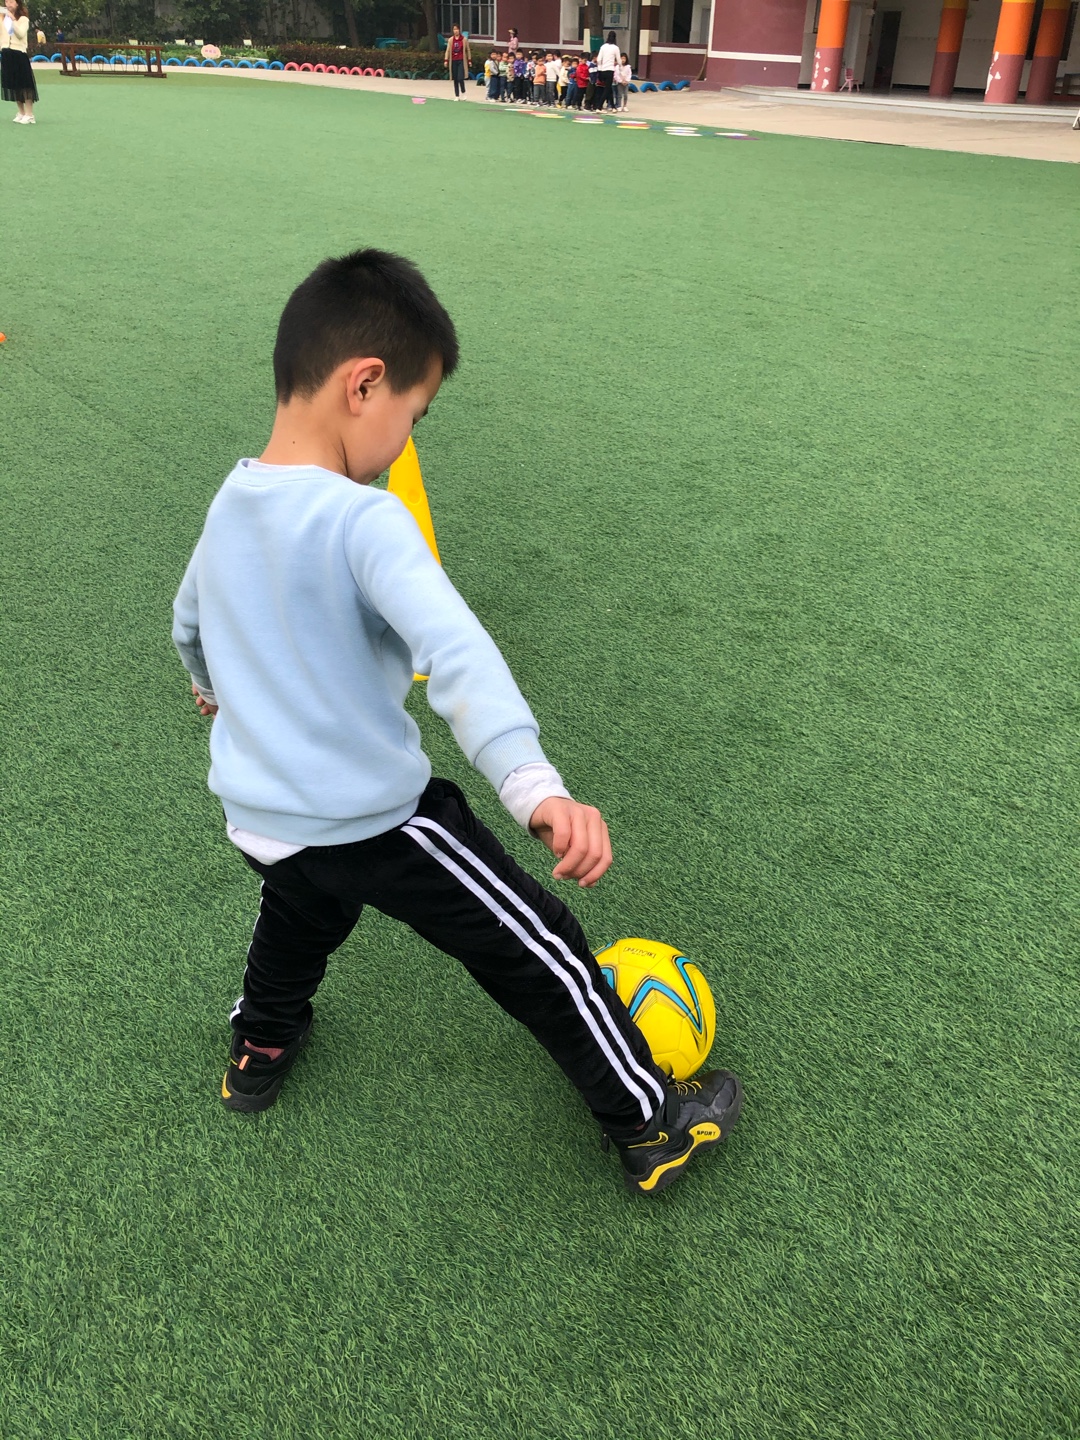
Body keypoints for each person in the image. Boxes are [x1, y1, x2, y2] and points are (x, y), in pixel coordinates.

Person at [172, 248, 743, 1197]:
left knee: (298, 915)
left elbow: (188, 624)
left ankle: (259, 1049)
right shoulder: (363, 519)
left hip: (260, 822)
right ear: (364, 385)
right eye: (414, 416)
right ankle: (650, 1124)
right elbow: (459, 651)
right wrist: (534, 786)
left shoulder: (230, 502)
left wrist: (210, 687)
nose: (405, 444)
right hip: (375, 823)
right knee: (540, 949)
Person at [1, 0, 37, 125]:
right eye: (6, 1)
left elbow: (21, 34)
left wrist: (12, 20)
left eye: (11, 1)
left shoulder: (23, 19)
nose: (8, 4)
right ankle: (21, 112)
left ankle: (29, 114)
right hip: (6, 52)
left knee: (25, 84)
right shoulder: (3, 19)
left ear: (17, 4)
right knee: (13, 84)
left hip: (19, 53)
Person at [443, 23, 470, 100]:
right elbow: (448, 50)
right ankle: (457, 95)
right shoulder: (451, 40)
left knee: (460, 78)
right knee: (455, 78)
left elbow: (468, 50)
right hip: (453, 60)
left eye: (457, 29)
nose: (456, 31)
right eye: (454, 29)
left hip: (461, 60)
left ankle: (463, 92)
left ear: (459, 30)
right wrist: (446, 60)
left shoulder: (464, 39)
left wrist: (469, 60)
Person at [595, 30, 619, 110]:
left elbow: (599, 59)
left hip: (602, 70)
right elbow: (619, 60)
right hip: (610, 70)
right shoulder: (615, 48)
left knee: (609, 88)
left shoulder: (603, 47)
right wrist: (618, 65)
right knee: (607, 89)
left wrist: (600, 69)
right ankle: (599, 106)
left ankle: (613, 106)